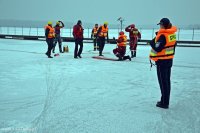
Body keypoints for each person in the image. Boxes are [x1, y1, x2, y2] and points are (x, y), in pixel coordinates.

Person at [149, 18, 177, 109]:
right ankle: (165, 100)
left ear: (163, 25)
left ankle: (164, 103)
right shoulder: (172, 34)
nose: (160, 26)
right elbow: (172, 45)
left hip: (162, 62)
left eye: (160, 25)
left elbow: (158, 48)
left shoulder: (163, 36)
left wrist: (152, 43)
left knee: (163, 82)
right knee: (167, 82)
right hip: (169, 60)